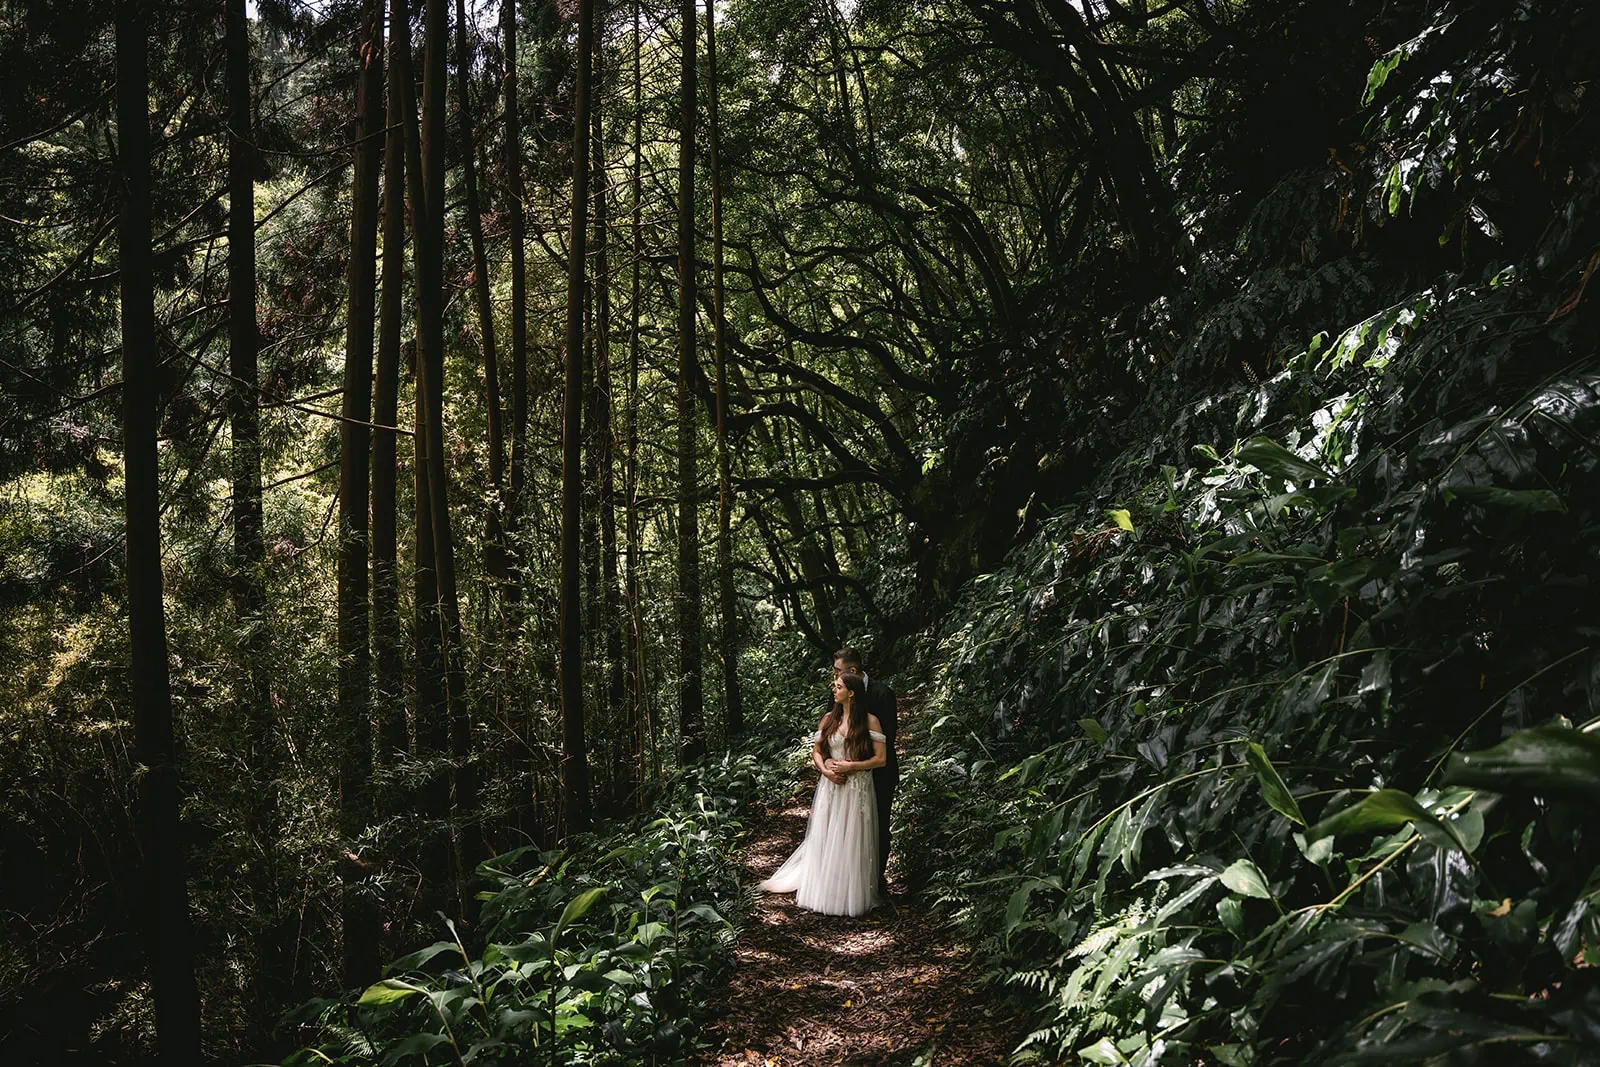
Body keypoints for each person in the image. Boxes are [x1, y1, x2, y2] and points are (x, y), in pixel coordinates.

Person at [757, 672, 887, 916]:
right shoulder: (829, 719)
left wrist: (852, 766)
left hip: (857, 785)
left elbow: (881, 760)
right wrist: (826, 771)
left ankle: (851, 895)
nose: (834, 690)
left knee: (852, 836)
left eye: (838, 687)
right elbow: (817, 752)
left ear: (852, 692)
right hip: (831, 785)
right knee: (828, 833)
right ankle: (825, 890)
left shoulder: (870, 721)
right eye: (834, 686)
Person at [830, 647, 898, 902]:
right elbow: (833, 729)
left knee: (878, 827)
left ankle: (875, 884)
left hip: (878, 774)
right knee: (846, 829)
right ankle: (845, 884)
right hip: (847, 778)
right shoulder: (837, 693)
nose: (835, 678)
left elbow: (888, 738)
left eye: (838, 671)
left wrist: (856, 763)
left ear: (853, 671)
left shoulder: (882, 693)